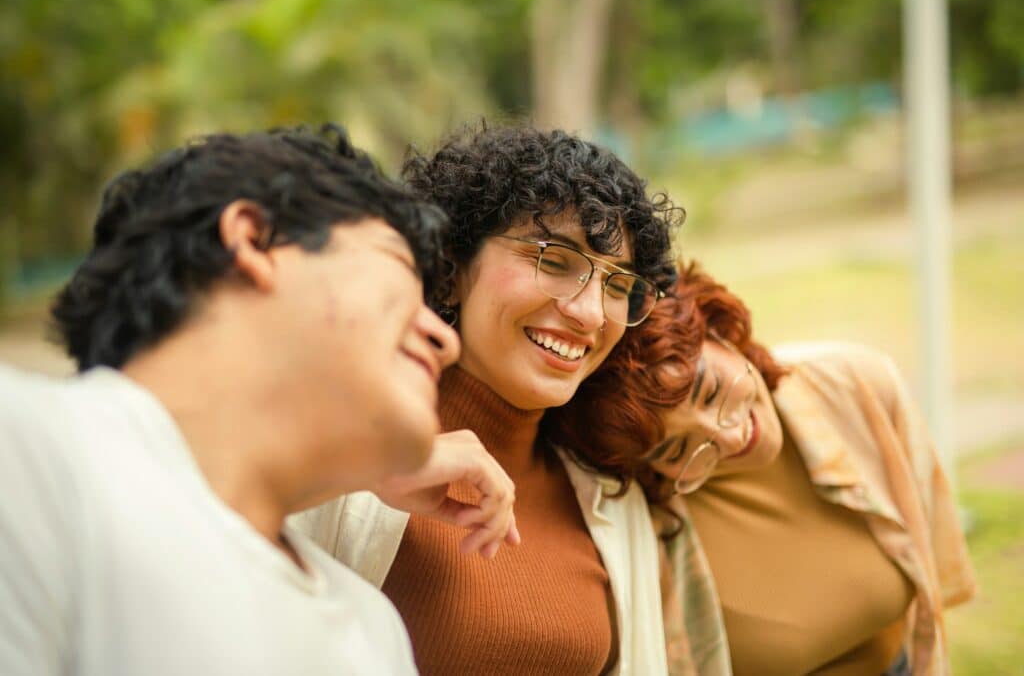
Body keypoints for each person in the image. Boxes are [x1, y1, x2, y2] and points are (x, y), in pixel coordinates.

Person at [0, 124, 520, 676]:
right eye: (398, 268)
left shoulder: (371, 631)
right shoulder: (28, 454)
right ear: (253, 239)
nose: (444, 340)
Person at [295, 124, 683, 674]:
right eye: (554, 260)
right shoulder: (340, 463)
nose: (591, 313)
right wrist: (360, 470)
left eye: (617, 286)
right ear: (450, 269)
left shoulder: (610, 501)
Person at [550, 261, 977, 675]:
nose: (731, 437)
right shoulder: (651, 530)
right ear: (651, 471)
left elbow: (936, 582)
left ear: (720, 333)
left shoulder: (857, 385)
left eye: (713, 390)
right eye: (679, 449)